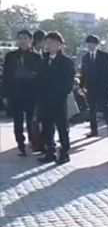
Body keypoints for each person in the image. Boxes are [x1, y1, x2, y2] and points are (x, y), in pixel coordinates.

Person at [2, 30, 43, 156]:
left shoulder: (37, 57)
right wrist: (4, 94)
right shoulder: (10, 56)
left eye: (25, 38)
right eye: (20, 38)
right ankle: (20, 144)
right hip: (16, 94)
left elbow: (41, 77)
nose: (22, 41)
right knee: (18, 122)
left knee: (31, 120)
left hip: (32, 94)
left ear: (31, 40)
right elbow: (6, 76)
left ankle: (33, 142)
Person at [38, 32, 76, 165]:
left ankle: (64, 152)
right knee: (47, 126)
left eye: (53, 43)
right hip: (45, 100)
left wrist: (59, 93)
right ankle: (50, 151)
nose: (49, 45)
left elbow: (68, 83)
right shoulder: (44, 60)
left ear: (60, 45)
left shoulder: (67, 62)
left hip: (59, 100)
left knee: (62, 127)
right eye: (47, 42)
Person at [80, 35, 108, 138]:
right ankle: (93, 130)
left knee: (105, 108)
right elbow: (83, 72)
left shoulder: (104, 56)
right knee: (92, 109)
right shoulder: (85, 57)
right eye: (88, 44)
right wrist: (82, 86)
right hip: (90, 86)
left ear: (96, 45)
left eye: (92, 44)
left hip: (102, 86)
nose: (90, 46)